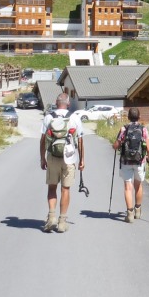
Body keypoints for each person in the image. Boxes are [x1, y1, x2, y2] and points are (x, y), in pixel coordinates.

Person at [40, 92, 85, 233]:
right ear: (68, 104)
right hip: (69, 158)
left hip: (53, 156)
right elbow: (80, 140)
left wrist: (42, 157)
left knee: (52, 188)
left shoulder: (48, 117)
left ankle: (51, 216)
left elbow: (42, 139)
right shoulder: (74, 118)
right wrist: (82, 159)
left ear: (56, 102)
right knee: (65, 189)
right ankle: (62, 221)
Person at [112, 106, 149, 223]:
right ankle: (138, 210)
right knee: (138, 185)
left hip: (126, 161)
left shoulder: (124, 129)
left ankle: (129, 214)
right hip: (139, 161)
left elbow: (116, 146)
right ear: (139, 117)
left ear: (128, 117)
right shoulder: (143, 130)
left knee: (127, 187)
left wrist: (115, 146)